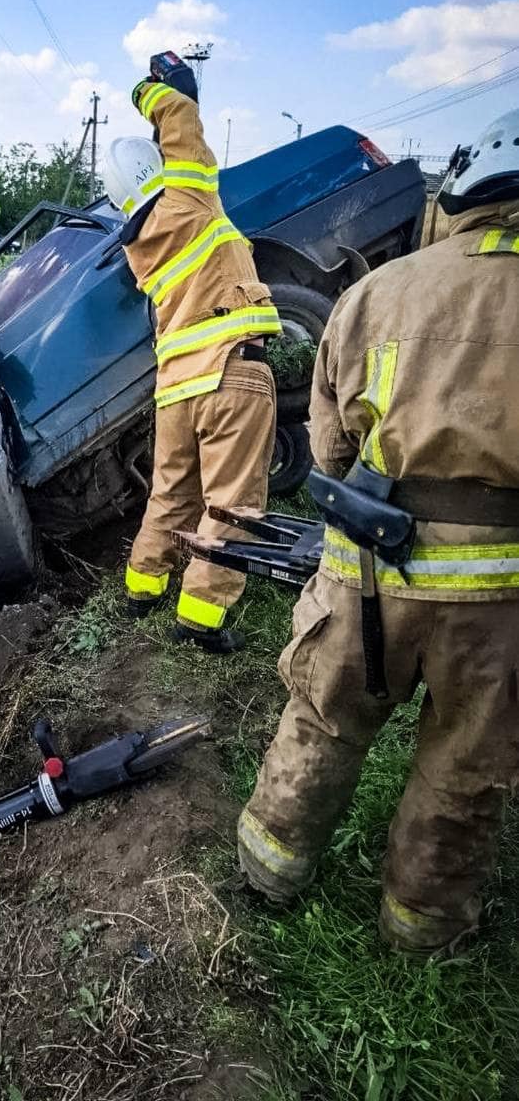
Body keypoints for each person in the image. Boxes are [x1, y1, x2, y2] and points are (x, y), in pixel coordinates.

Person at [237, 108, 519, 956]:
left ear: (457, 194)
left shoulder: (370, 295)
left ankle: (269, 871)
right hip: (500, 606)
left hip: (366, 572)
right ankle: (421, 926)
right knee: (464, 768)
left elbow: (328, 447)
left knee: (321, 720)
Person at [103, 52, 282, 653]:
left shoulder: (138, 242)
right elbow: (182, 121)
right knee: (233, 503)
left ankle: (142, 587)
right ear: (158, 170)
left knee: (171, 493)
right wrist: (155, 89)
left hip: (176, 388)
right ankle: (202, 618)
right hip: (230, 368)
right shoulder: (189, 199)